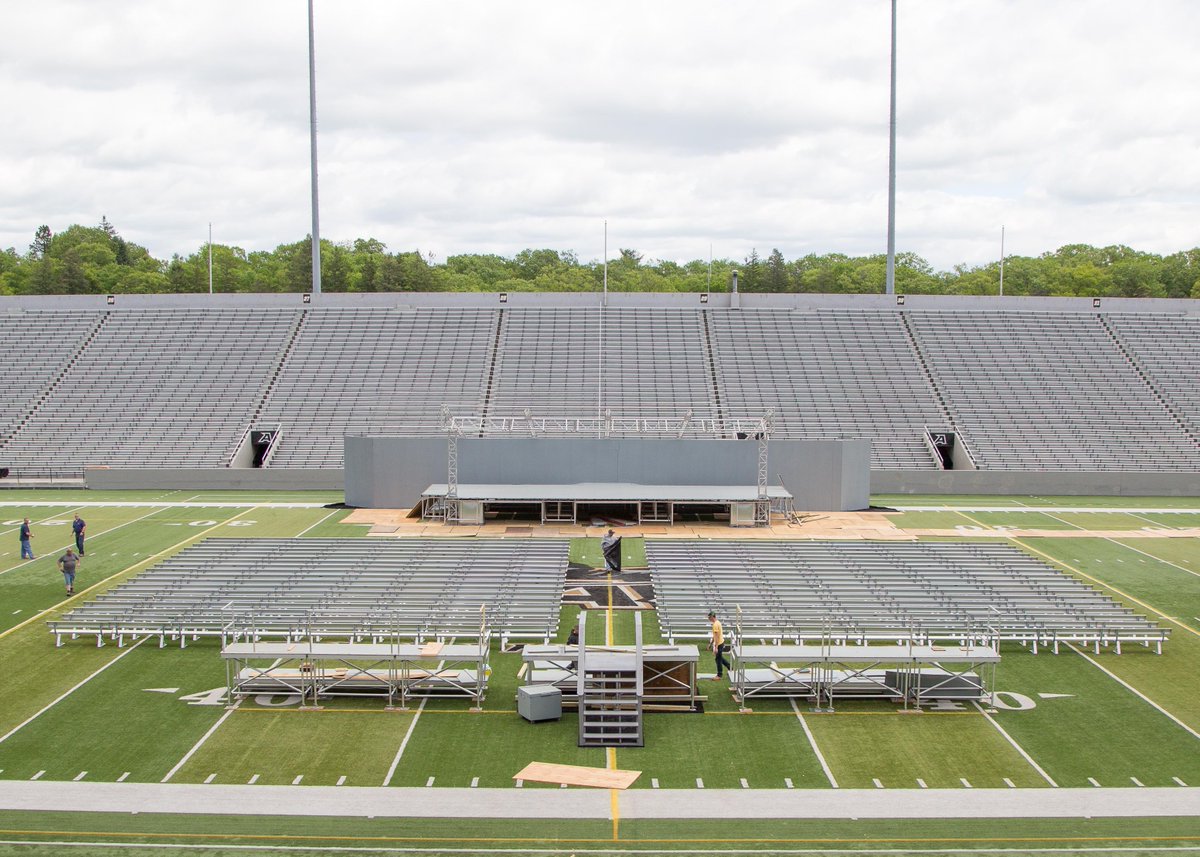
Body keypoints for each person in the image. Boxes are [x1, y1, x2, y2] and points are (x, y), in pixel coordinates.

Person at [707, 610, 731, 681]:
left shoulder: (715, 625)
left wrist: (716, 647)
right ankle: (730, 667)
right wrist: (711, 644)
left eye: (709, 617)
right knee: (719, 658)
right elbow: (715, 636)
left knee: (718, 659)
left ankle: (719, 675)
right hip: (721, 643)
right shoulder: (717, 622)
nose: (708, 619)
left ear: (712, 617)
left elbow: (717, 637)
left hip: (719, 644)